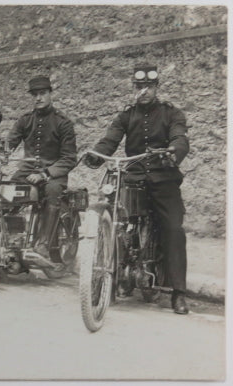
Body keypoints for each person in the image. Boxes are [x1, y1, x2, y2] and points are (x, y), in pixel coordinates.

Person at [84, 63, 190, 314]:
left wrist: (175, 152)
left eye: (148, 87)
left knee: (174, 228)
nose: (143, 92)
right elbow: (110, 139)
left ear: (156, 88)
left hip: (164, 178)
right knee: (117, 220)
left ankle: (178, 292)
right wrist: (96, 156)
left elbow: (179, 136)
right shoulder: (126, 115)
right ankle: (114, 275)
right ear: (134, 88)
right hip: (133, 176)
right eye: (139, 87)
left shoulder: (170, 113)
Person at [7, 75, 77, 262]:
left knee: (52, 191)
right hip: (28, 171)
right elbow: (9, 142)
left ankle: (43, 245)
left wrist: (45, 174)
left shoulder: (63, 122)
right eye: (35, 94)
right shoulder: (25, 120)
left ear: (50, 94)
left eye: (43, 93)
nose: (38, 98)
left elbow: (69, 158)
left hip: (53, 173)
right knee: (6, 192)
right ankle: (11, 238)